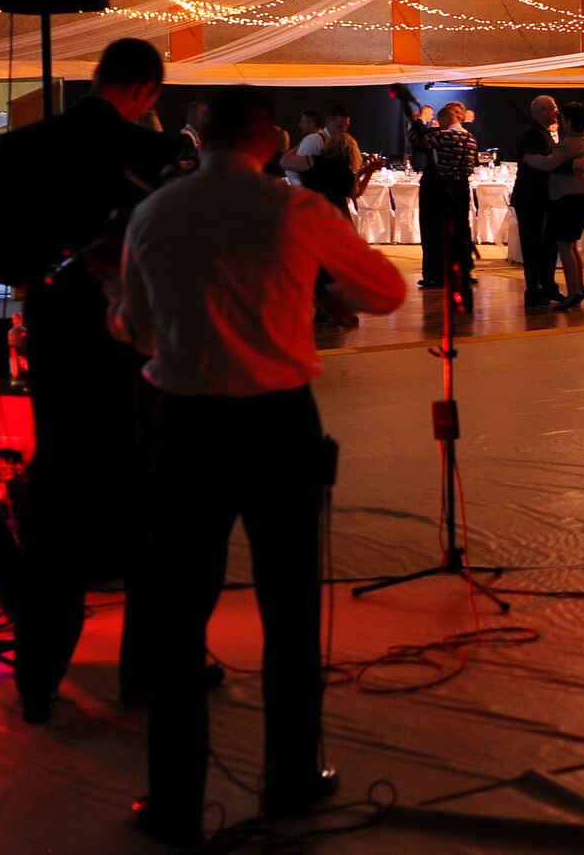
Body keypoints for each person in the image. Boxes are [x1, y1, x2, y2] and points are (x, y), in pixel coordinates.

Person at [112, 85, 406, 847]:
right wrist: (316, 289)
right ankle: (290, 776)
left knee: (177, 620)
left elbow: (137, 331)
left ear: (200, 135)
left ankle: (174, 798)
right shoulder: (294, 209)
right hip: (277, 423)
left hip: (182, 423)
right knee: (289, 606)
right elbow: (387, 289)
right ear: (270, 141)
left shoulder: (153, 214)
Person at [0, 38, 176, 723]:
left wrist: (57, 263)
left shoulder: (22, 149)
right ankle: (144, 671)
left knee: (57, 505)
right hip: (138, 356)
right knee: (150, 507)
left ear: (98, 78)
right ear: (146, 91)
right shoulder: (152, 156)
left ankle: (37, 676)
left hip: (59, 351)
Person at [528, 100, 584, 311]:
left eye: (563, 117)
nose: (559, 120)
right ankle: (580, 286)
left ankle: (573, 292)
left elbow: (550, 163)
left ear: (569, 121)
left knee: (565, 246)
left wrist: (532, 159)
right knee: (572, 244)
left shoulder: (569, 143)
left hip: (570, 196)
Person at [406, 102, 478, 291]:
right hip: (461, 186)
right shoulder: (470, 138)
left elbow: (415, 140)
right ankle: (463, 270)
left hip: (439, 187)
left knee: (433, 230)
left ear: (446, 119)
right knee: (461, 228)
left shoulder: (441, 135)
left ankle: (435, 273)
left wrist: (416, 121)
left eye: (440, 119)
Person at [513, 96, 563, 307]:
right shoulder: (534, 134)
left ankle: (548, 285)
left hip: (541, 198)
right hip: (532, 198)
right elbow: (545, 164)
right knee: (533, 246)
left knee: (547, 246)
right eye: (553, 109)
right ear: (542, 111)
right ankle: (533, 290)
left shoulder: (542, 132)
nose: (556, 113)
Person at [281, 109, 325, 187]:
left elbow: (290, 166)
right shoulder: (323, 138)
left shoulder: (312, 140)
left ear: (312, 124)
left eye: (302, 122)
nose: (299, 125)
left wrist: (299, 186)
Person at [175, 101, 209, 172]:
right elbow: (190, 163)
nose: (207, 120)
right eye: (204, 117)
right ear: (193, 119)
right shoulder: (185, 137)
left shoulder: (199, 136)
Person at [407, 104, 436, 173]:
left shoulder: (420, 125)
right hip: (421, 159)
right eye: (431, 114)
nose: (432, 117)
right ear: (426, 113)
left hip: (420, 158)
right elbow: (418, 142)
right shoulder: (418, 125)